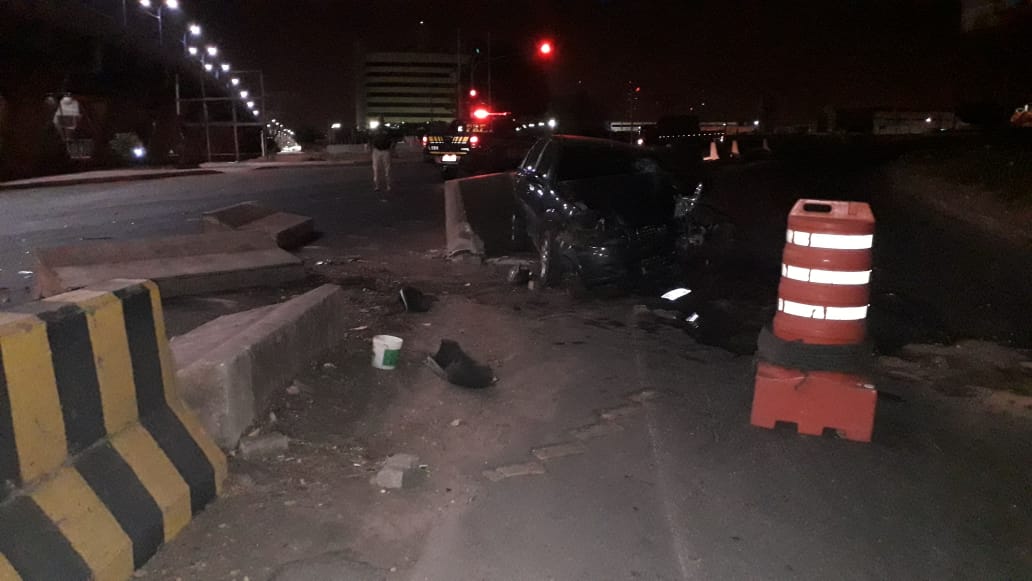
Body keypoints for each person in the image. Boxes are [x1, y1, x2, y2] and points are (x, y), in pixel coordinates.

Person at [370, 121, 394, 192]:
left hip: (384, 150)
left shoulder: (386, 130)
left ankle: (387, 185)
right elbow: (371, 140)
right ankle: (379, 186)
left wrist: (391, 149)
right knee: (377, 169)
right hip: (378, 150)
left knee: (385, 169)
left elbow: (392, 140)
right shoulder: (376, 130)